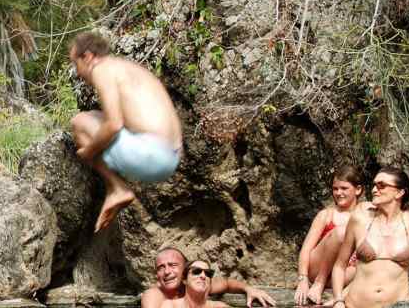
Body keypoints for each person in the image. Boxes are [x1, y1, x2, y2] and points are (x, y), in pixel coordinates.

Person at [68, 32, 184, 232]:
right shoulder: (128, 68)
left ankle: (117, 188)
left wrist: (88, 153)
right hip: (172, 157)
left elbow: (114, 124)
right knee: (95, 116)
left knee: (80, 122)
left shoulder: (102, 70)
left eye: (75, 63)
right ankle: (117, 187)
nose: (77, 72)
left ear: (87, 56)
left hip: (151, 155)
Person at [329, 167, 409, 308]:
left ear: (399, 192)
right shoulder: (359, 218)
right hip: (355, 304)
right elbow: (339, 266)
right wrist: (338, 300)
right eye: (374, 185)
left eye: (381, 185)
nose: (374, 190)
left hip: (398, 304)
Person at [294, 166, 370, 304]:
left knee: (365, 268)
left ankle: (337, 294)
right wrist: (302, 279)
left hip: (343, 272)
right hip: (317, 269)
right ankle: (319, 283)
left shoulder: (365, 213)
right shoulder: (326, 215)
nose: (338, 193)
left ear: (358, 189)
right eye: (335, 189)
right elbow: (305, 249)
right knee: (342, 232)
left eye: (344, 188)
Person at [141, 248, 276, 308]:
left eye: (172, 265)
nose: (166, 272)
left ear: (184, 270)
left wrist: (249, 289)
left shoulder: (196, 283)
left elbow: (227, 283)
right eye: (161, 267)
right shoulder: (154, 295)